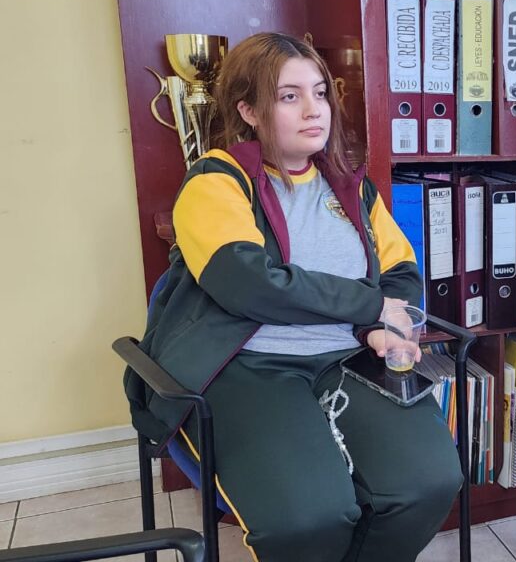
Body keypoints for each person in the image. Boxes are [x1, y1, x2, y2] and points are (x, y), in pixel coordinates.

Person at [122, 32, 462, 562]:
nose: (313, 109)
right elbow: (248, 284)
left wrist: (381, 326)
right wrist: (368, 307)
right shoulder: (214, 182)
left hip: (345, 359)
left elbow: (399, 271)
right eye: (289, 96)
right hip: (246, 366)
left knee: (430, 483)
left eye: (320, 93)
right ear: (249, 111)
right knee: (309, 518)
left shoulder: (351, 187)